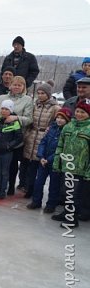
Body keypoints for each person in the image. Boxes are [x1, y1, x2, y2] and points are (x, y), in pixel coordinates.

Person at [51, 99, 90, 228]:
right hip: (66, 166)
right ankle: (66, 213)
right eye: (78, 111)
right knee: (64, 191)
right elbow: (60, 145)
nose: (79, 114)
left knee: (73, 195)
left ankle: (72, 219)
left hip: (80, 168)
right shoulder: (68, 126)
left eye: (83, 112)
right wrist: (57, 162)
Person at [0, 76, 34, 195]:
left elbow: (29, 119)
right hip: (0, 134)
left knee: (12, 164)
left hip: (15, 136)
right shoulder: (2, 98)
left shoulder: (27, 100)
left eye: (19, 85)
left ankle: (10, 186)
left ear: (23, 87)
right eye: (14, 84)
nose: (16, 87)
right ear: (10, 85)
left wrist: (15, 118)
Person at [27, 108, 70, 213]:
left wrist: (49, 159)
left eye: (62, 118)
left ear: (67, 120)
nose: (59, 120)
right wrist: (41, 156)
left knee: (54, 185)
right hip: (43, 160)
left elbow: (61, 149)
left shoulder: (66, 131)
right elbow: (43, 142)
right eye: (58, 118)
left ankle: (51, 205)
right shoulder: (52, 128)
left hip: (55, 162)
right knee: (38, 182)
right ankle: (36, 201)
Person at [22, 82, 60, 198]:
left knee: (40, 167)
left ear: (48, 94)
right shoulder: (35, 105)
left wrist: (50, 130)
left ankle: (37, 192)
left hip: (44, 137)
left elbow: (57, 122)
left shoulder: (55, 108)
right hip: (32, 135)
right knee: (30, 166)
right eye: (38, 93)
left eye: (43, 93)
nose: (40, 95)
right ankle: (29, 188)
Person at [0, 100, 23, 199]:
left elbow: (19, 137)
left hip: (7, 152)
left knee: (4, 172)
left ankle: (2, 191)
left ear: (10, 110)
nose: (4, 111)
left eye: (7, 109)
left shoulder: (14, 122)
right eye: (2, 108)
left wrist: (9, 146)